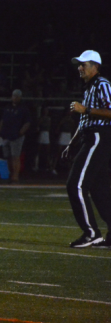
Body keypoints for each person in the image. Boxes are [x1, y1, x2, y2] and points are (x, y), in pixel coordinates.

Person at [62, 50, 111, 248]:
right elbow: (84, 121)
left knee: (75, 184)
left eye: (84, 64)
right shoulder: (90, 87)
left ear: (96, 66)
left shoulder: (102, 84)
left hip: (99, 137)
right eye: (79, 65)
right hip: (91, 137)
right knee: (99, 190)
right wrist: (72, 142)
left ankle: (91, 233)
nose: (80, 68)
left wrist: (86, 109)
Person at [0, 89, 31, 183]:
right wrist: (1, 131)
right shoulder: (7, 107)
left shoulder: (23, 109)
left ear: (20, 97)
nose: (15, 98)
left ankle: (15, 176)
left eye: (16, 96)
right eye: (13, 96)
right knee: (8, 156)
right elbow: (2, 120)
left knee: (15, 156)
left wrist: (20, 132)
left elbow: (27, 122)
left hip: (16, 136)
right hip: (6, 135)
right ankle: (10, 173)